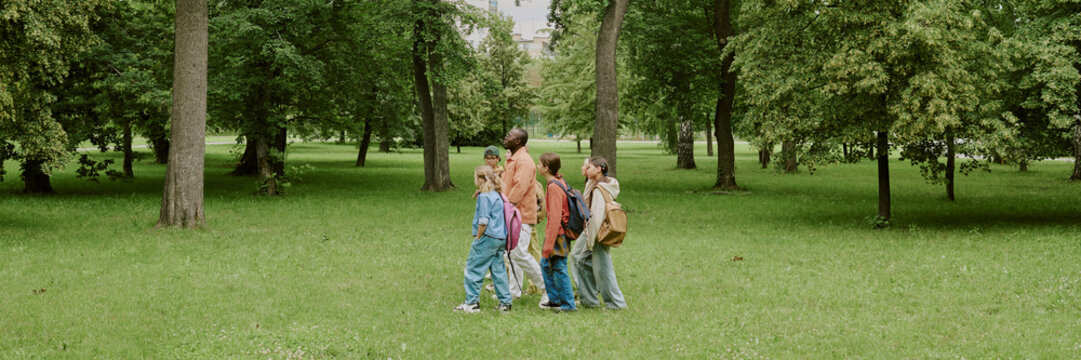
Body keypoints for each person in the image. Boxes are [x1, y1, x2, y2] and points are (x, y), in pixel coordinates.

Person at [569, 157, 627, 309]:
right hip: (595, 232)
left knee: (603, 269)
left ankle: (615, 304)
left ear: (599, 169)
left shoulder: (600, 189)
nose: (585, 169)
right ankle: (589, 300)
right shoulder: (598, 184)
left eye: (589, 167)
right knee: (581, 261)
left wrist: (590, 241)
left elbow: (597, 216)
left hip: (599, 233)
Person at [455, 166, 513, 313]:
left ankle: (471, 303)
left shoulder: (485, 196)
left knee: (473, 268)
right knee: (498, 270)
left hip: (488, 237)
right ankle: (505, 303)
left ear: (481, 179)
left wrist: (479, 237)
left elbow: (483, 221)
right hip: (501, 238)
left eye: (475, 177)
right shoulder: (497, 194)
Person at [499, 128, 548, 305]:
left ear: (518, 141)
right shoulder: (513, 159)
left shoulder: (524, 161)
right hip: (511, 213)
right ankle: (514, 291)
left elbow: (520, 186)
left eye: (509, 136)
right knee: (510, 254)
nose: (506, 137)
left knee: (518, 253)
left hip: (520, 215)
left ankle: (547, 289)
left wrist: (506, 206)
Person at [538, 152, 577, 312]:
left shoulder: (554, 187)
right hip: (558, 233)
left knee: (559, 267)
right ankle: (554, 300)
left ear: (546, 168)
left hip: (557, 234)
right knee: (546, 265)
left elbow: (554, 219)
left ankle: (568, 305)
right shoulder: (558, 181)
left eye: (539, 164)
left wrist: (548, 245)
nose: (537, 166)